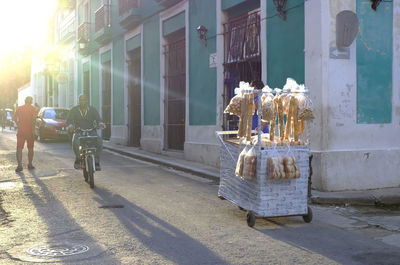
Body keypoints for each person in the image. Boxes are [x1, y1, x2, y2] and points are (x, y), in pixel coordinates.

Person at [67, 95, 105, 171]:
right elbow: (69, 119)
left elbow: (98, 118)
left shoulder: (92, 109)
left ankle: (97, 161)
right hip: (79, 131)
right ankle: (78, 158)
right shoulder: (74, 110)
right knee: (75, 142)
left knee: (99, 142)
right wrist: (70, 125)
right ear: (79, 101)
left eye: (84, 100)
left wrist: (100, 123)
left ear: (87, 101)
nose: (82, 101)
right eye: (81, 100)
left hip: (91, 131)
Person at [13, 96, 37, 172]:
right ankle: (30, 164)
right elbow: (33, 120)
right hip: (30, 131)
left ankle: (19, 165)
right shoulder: (33, 108)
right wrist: (33, 131)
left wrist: (18, 124)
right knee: (30, 148)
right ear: (31, 101)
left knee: (19, 148)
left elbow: (14, 118)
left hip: (21, 131)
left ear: (25, 100)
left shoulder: (19, 108)